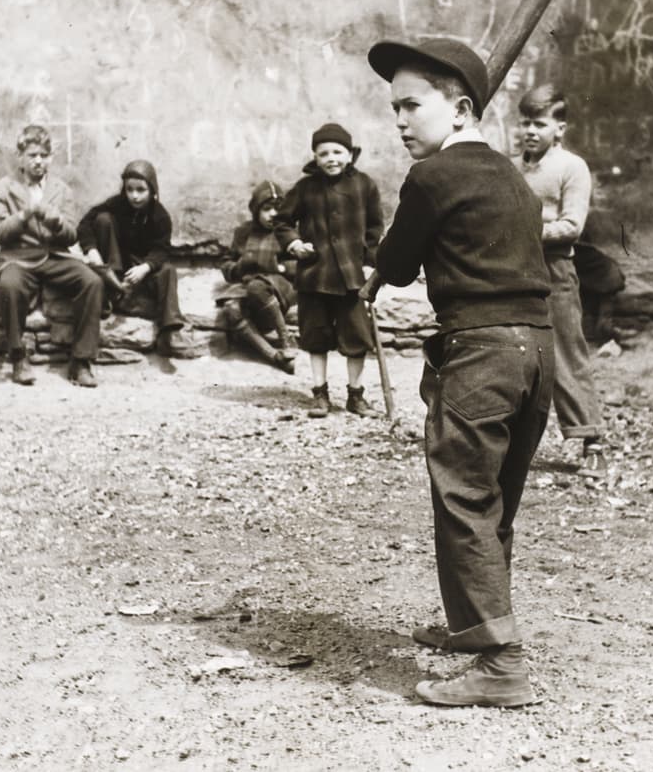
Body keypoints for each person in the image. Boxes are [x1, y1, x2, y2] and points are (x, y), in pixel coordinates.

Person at [366, 39, 555, 708]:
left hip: (481, 351)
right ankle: (474, 628)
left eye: (411, 105)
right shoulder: (510, 175)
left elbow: (394, 263)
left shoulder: (432, 178)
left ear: (461, 107)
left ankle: (501, 666)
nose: (399, 121)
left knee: (462, 494)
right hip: (537, 350)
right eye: (394, 108)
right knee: (491, 496)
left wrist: (378, 267)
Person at [515, 84, 609, 478]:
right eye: (524, 123)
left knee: (566, 355)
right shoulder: (511, 167)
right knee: (515, 354)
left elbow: (571, 226)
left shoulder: (572, 167)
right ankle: (509, 441)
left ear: (560, 128)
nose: (530, 131)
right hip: (513, 271)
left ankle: (594, 444)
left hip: (554, 271)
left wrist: (518, 232)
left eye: (539, 123)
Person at [274, 123, 384, 417]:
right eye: (324, 153)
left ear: (350, 155)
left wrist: (369, 261)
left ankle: (355, 395)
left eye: (338, 152)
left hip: (351, 279)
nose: (331, 158)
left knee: (357, 338)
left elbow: (375, 227)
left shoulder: (364, 185)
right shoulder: (305, 187)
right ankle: (320, 394)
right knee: (315, 336)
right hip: (315, 275)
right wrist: (294, 244)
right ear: (315, 157)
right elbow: (282, 222)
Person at [0, 124, 103, 387]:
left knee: (92, 282)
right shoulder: (4, 189)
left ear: (50, 158)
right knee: (9, 285)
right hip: (18, 258)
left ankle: (81, 361)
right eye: (32, 155)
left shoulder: (62, 190)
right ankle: (18, 357)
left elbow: (72, 235)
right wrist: (23, 215)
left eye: (43, 155)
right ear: (21, 158)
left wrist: (56, 221)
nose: (38, 161)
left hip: (55, 258)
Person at [77, 160, 197, 359]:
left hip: (141, 268)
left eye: (141, 190)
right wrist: (91, 250)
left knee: (168, 271)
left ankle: (170, 329)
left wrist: (146, 267)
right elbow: (85, 223)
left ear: (152, 190)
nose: (134, 195)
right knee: (103, 219)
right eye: (129, 189)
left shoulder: (160, 216)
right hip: (116, 266)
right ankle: (114, 291)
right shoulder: (117, 204)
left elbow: (162, 250)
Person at [216, 181, 298, 373]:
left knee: (257, 287)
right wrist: (239, 266)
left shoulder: (289, 232)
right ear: (256, 210)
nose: (273, 214)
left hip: (281, 284)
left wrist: (280, 267)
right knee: (231, 309)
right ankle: (273, 355)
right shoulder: (244, 232)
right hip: (249, 282)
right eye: (266, 209)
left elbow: (304, 264)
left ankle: (286, 342)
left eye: (278, 209)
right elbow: (227, 263)